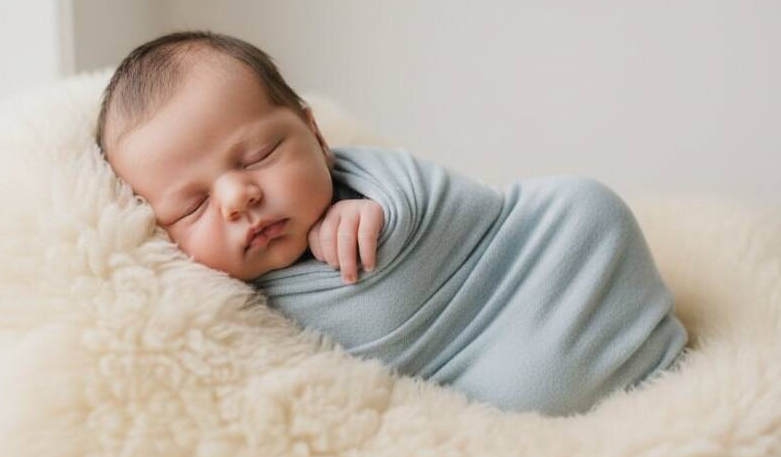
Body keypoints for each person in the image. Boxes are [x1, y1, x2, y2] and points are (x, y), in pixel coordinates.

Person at [96, 30, 688, 416]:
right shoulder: (219, 305)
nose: (237, 198)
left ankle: (626, 347)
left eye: (256, 157)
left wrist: (378, 210)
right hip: (467, 364)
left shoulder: (366, 182)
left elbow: (471, 212)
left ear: (317, 135)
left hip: (517, 258)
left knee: (586, 207)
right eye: (193, 207)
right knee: (522, 390)